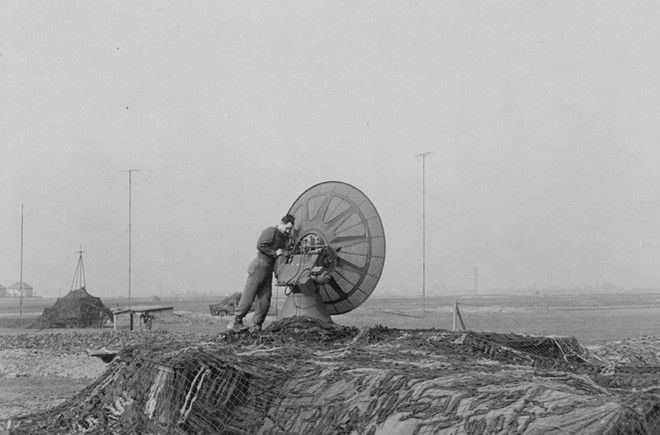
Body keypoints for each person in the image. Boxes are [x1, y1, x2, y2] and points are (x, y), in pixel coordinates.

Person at [232, 214, 295, 332]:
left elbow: (286, 251)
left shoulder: (284, 238)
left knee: (265, 299)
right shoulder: (271, 231)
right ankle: (237, 321)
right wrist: (275, 253)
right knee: (249, 296)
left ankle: (257, 326)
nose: (288, 231)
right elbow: (261, 245)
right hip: (259, 265)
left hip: (269, 270)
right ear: (281, 223)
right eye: (287, 228)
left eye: (290, 229)